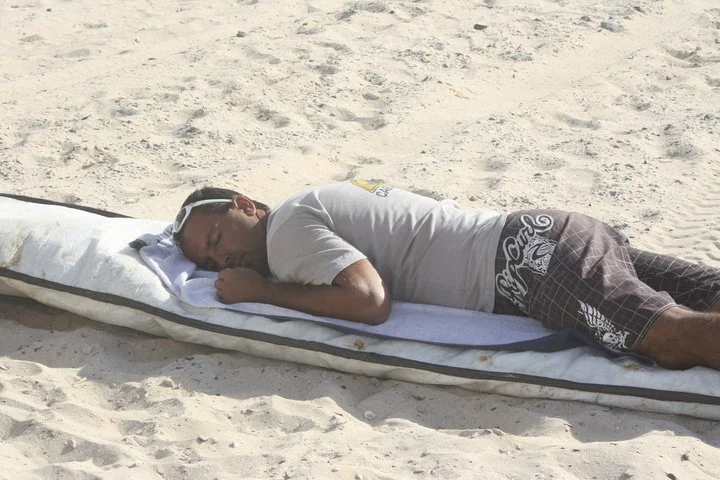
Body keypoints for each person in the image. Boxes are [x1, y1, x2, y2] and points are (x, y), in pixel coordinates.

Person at [172, 179, 720, 370]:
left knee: (669, 338)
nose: (224, 262)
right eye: (209, 262)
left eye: (217, 240)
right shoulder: (312, 200)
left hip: (524, 265)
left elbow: (368, 302)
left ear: (246, 205)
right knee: (707, 294)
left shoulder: (286, 233)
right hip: (546, 234)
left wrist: (265, 292)